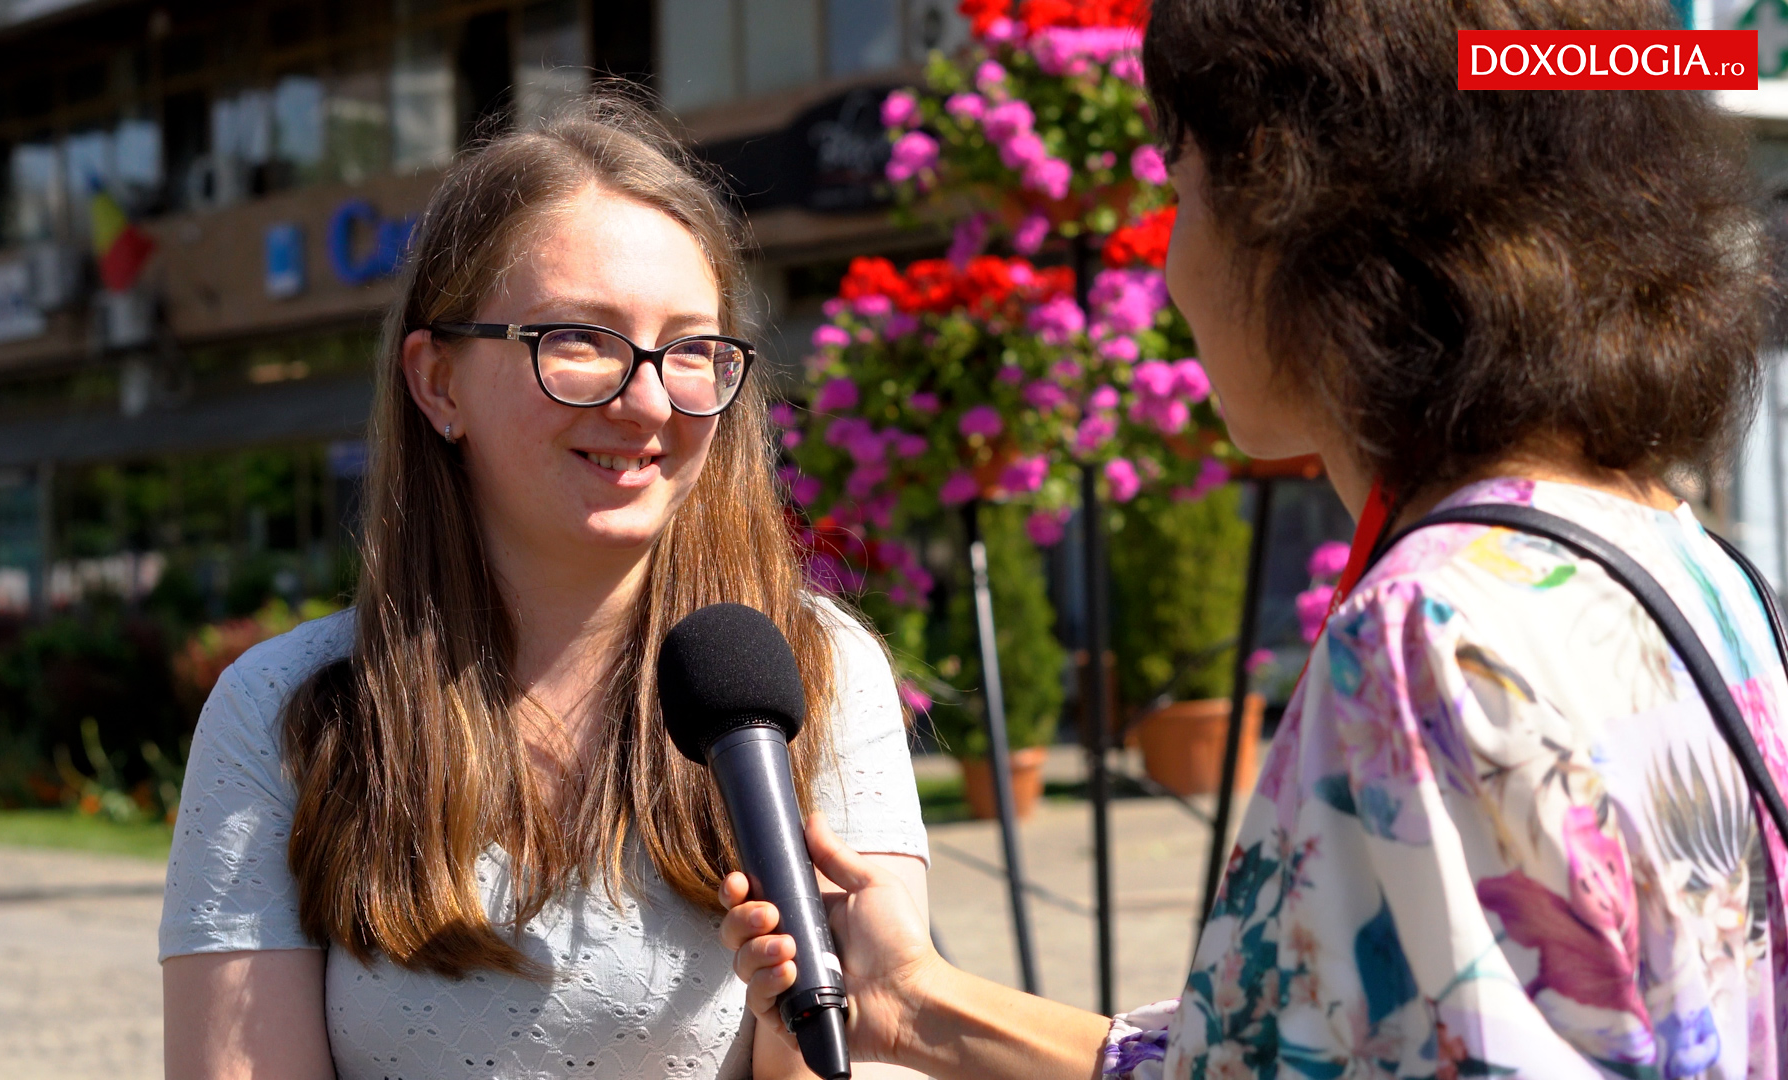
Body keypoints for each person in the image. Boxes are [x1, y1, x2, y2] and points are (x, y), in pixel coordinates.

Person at [722, 0, 1788, 1076]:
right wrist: (917, 1000)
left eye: (1181, 195)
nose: (1172, 270)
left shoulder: (1429, 631)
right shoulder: (1683, 560)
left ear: (1305, 221)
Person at [158, 101, 931, 1080]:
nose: (649, 399)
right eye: (581, 340)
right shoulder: (284, 709)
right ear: (438, 383)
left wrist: (807, 1013)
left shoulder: (808, 673)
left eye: (691, 348)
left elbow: (874, 1047)